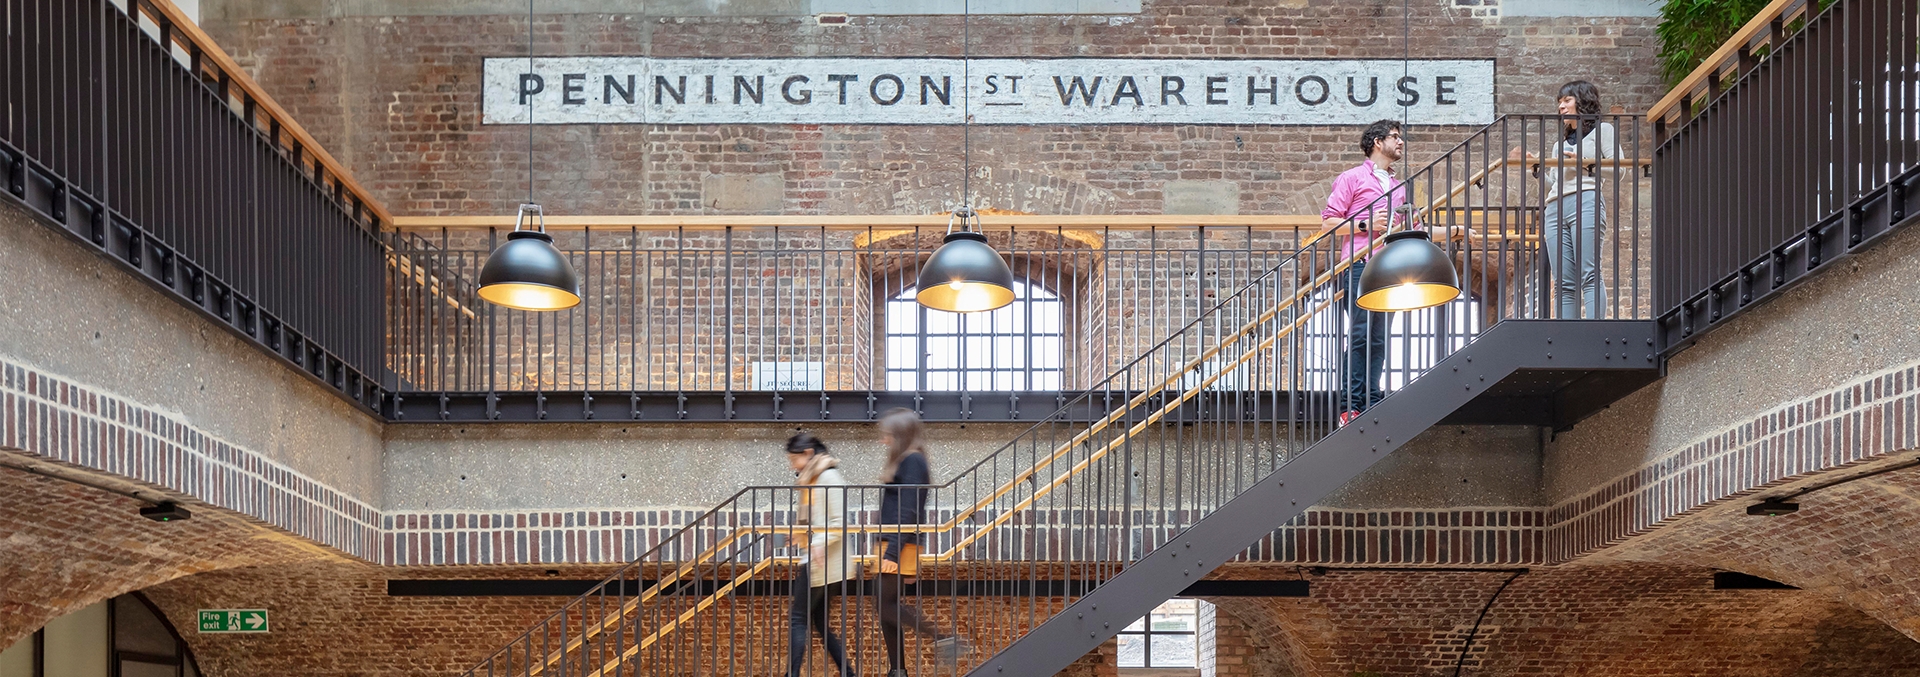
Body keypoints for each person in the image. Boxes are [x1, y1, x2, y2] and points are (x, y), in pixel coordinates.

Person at [1317, 119, 1410, 426]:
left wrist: (1455, 231)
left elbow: (1412, 226)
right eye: (1394, 137)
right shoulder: (1352, 178)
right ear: (1377, 142)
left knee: (1379, 337)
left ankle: (1371, 400)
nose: (1400, 142)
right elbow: (1328, 223)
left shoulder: (1399, 187)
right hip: (1359, 265)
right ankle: (1350, 406)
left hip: (1389, 269)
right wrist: (1364, 224)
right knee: (1360, 334)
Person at [873, 409, 967, 676]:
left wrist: (893, 553)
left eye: (888, 435)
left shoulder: (912, 460)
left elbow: (910, 510)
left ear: (901, 435)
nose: (884, 441)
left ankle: (942, 639)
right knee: (885, 607)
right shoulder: (908, 460)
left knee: (885, 605)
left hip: (897, 543)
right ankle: (898, 670)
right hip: (894, 541)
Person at [1540, 80, 1618, 319]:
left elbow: (1620, 170)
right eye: (1559, 102)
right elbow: (1555, 183)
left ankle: (1594, 330)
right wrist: (1535, 169)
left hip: (1586, 200)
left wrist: (1583, 161)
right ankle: (1567, 333)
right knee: (1562, 281)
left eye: (1567, 100)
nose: (1561, 107)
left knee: (1589, 273)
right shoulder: (1559, 145)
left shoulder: (1603, 131)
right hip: (1554, 207)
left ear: (1582, 101)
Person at [785, 433, 854, 677]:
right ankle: (848, 673)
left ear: (808, 453)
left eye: (794, 459)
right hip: (819, 559)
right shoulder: (813, 479)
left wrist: (817, 543)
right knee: (820, 623)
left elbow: (839, 521)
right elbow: (815, 519)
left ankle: (792, 674)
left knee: (798, 618)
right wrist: (800, 536)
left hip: (821, 561)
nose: (793, 466)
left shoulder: (828, 477)